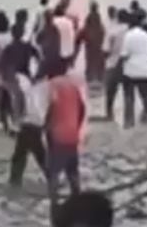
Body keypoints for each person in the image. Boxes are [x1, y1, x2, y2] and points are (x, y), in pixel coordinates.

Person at [44, 53, 87, 204]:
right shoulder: (73, 87)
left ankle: (53, 203)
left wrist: (46, 127)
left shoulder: (51, 86)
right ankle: (77, 199)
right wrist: (76, 126)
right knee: (73, 171)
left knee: (54, 171)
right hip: (72, 135)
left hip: (57, 135)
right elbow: (82, 109)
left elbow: (48, 108)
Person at [8, 41, 50, 189]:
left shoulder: (20, 78)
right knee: (30, 154)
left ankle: (14, 185)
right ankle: (53, 180)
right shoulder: (43, 77)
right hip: (39, 120)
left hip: (28, 121)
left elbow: (19, 101)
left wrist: (15, 124)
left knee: (25, 156)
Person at [119, 13, 147, 127]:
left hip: (130, 71)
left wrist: (120, 66)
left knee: (129, 97)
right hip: (144, 71)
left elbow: (124, 54)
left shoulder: (128, 35)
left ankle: (129, 122)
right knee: (145, 97)